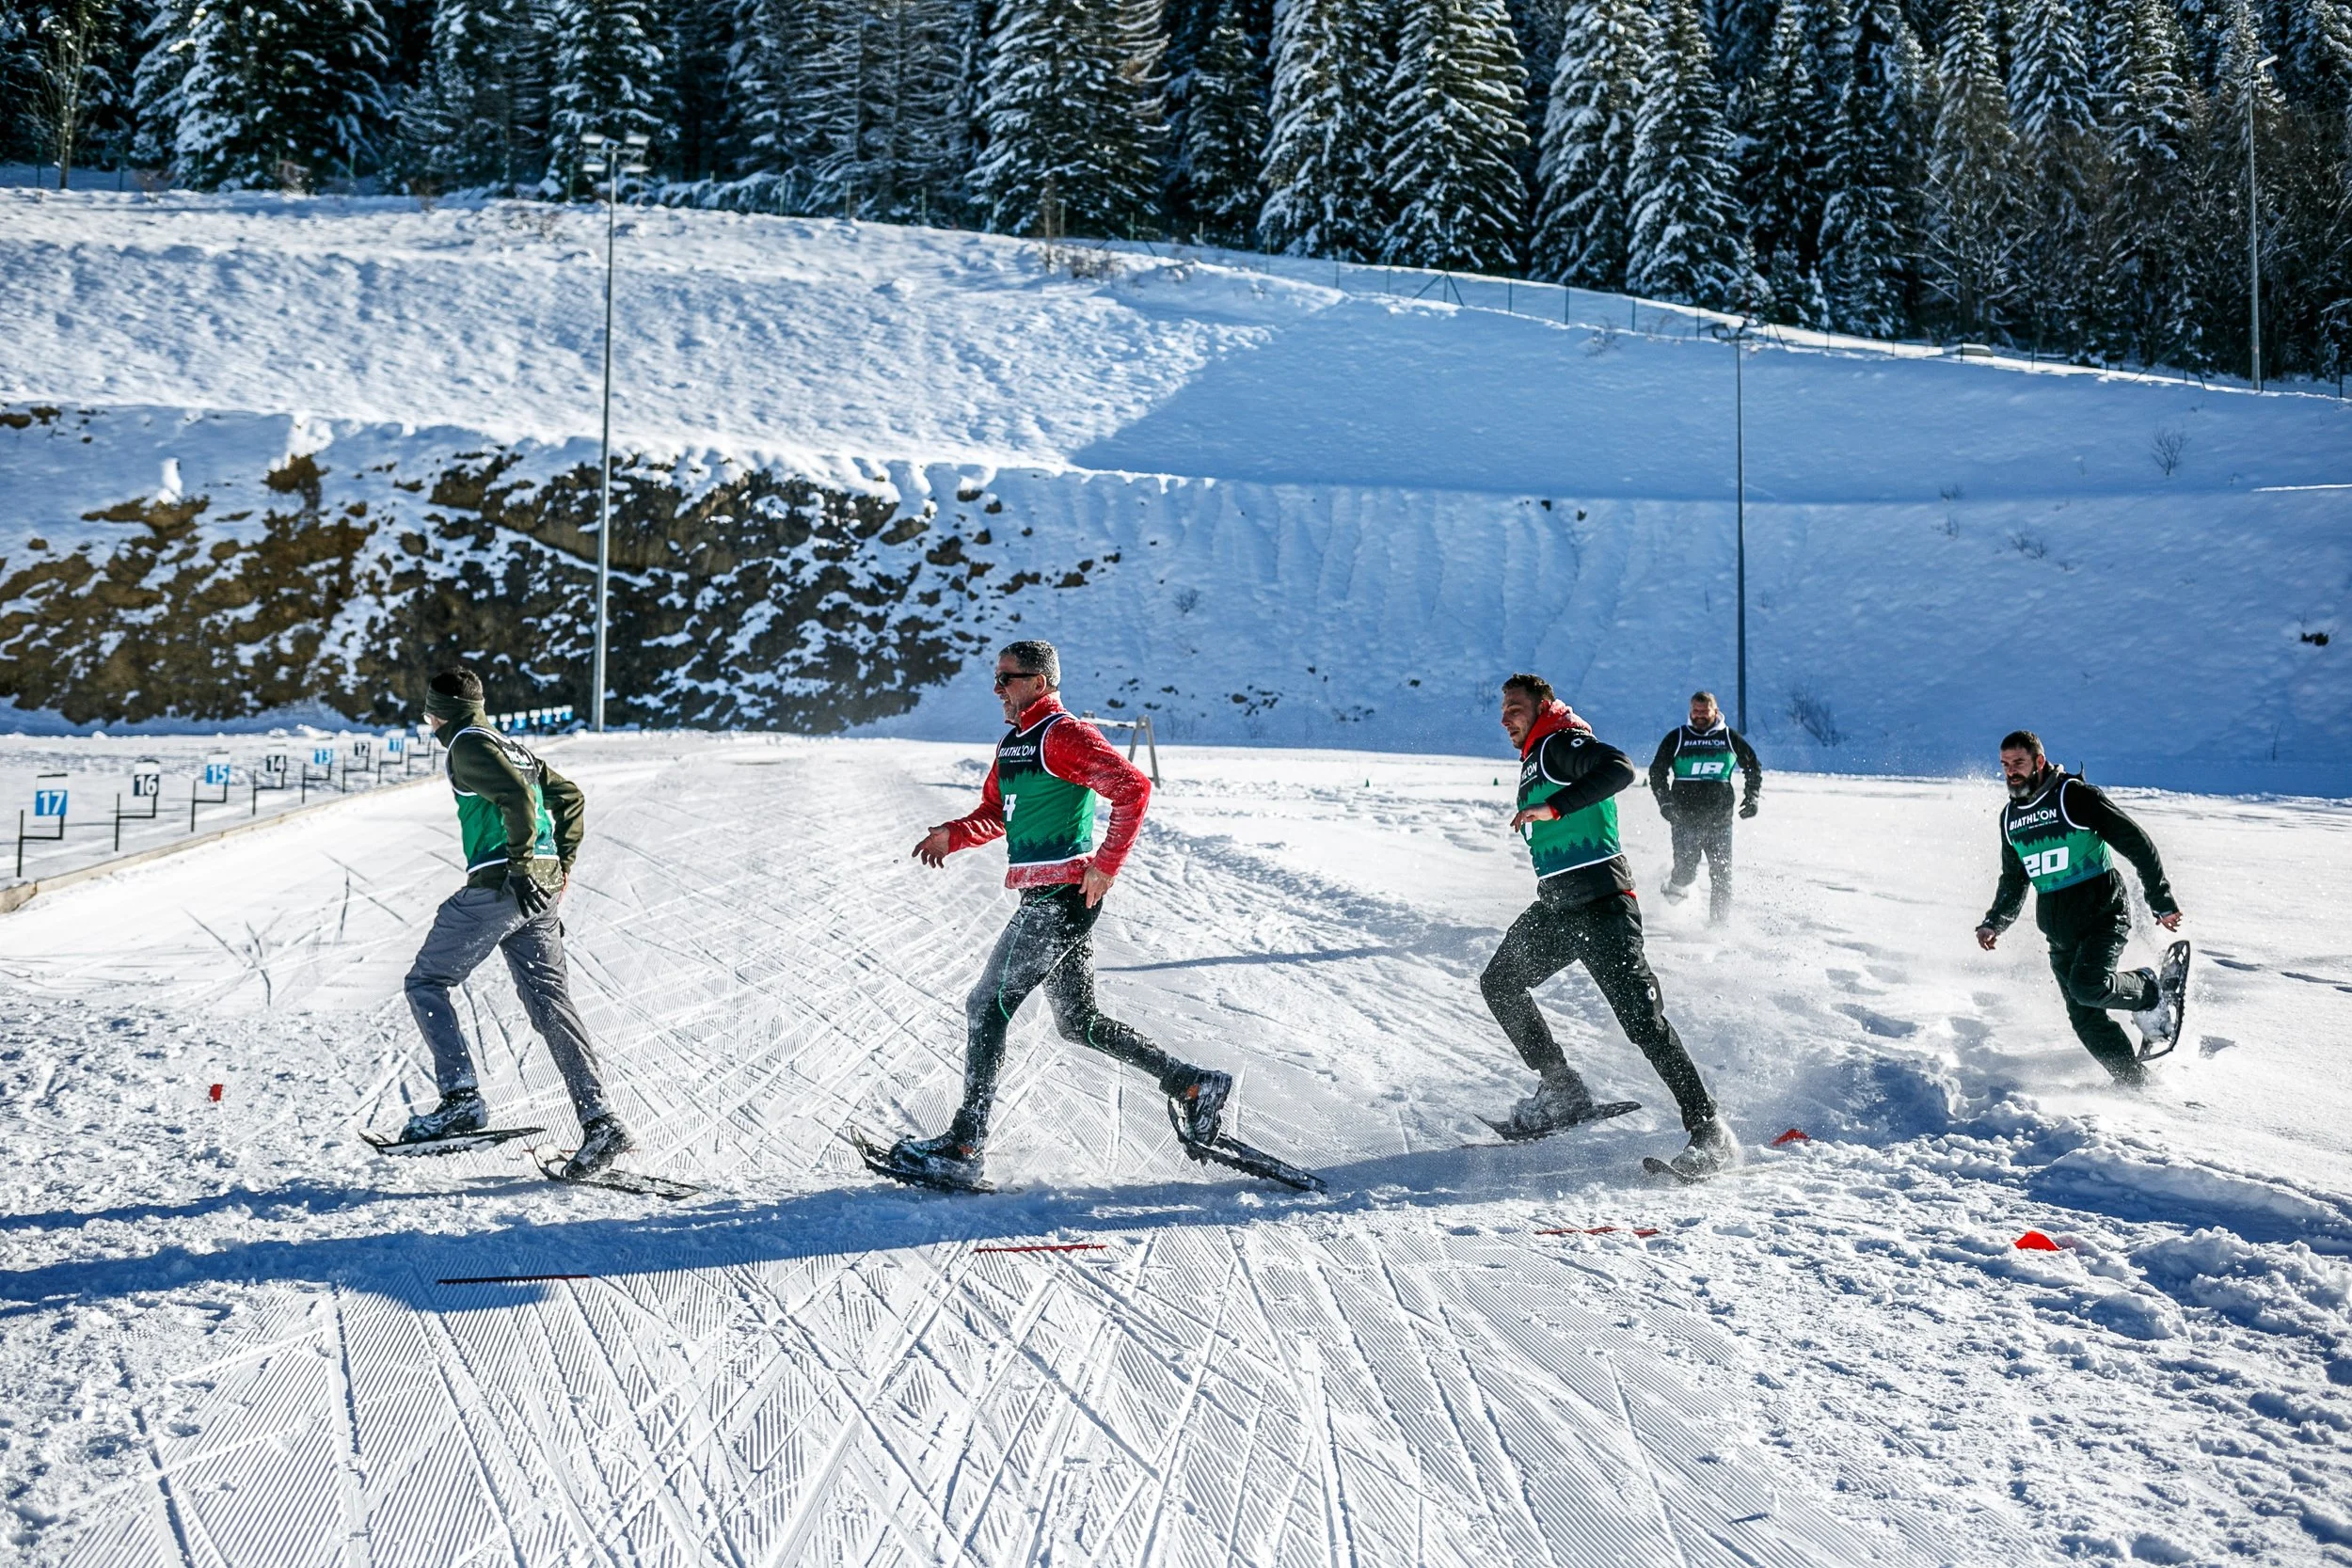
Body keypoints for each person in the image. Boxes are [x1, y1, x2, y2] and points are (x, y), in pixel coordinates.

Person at [887, 640, 1232, 1188]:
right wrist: (954, 834)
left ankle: (964, 1143)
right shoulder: (1014, 744)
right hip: (1045, 899)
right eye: (996, 678)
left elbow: (1133, 788)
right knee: (1080, 1024)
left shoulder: (1062, 734)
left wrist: (1106, 864)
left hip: (1062, 900)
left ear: (1040, 681)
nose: (997, 689)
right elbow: (996, 814)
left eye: (1008, 678)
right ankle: (1193, 1084)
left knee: (986, 1005)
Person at [1479, 673, 1733, 1178]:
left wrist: (1553, 806)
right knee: (1501, 983)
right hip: (1558, 908)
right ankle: (1562, 1088)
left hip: (1601, 907)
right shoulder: (1537, 755)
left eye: (1515, 707)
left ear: (1543, 706)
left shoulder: (1558, 743)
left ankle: (1709, 1132)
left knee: (1642, 1021)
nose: (1506, 716)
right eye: (1503, 708)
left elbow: (1618, 768)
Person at [396, 668, 631, 1179]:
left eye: (428, 713)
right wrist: (558, 867)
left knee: (427, 982)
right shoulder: (508, 744)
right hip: (539, 892)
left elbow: (517, 799)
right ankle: (600, 1121)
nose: (428, 721)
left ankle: (461, 1100)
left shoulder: (465, 745)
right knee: (550, 1003)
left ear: (440, 712)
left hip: (503, 884)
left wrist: (524, 864)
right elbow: (567, 797)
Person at [1975, 730, 2186, 1084]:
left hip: (2104, 914)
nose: (2011, 772)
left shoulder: (2072, 796)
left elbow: (2136, 842)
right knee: (2084, 1016)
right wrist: (1994, 921)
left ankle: (2149, 990)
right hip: (2059, 930)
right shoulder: (2010, 818)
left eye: (2019, 763)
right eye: (2005, 765)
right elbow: (2014, 879)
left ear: (2039, 762)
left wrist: (2160, 900)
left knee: (2088, 986)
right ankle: (2134, 1081)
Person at [1647, 690, 1762, 923]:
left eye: (1704, 711)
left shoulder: (1729, 738)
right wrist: (1665, 803)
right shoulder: (1677, 737)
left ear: (1715, 712)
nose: (1699, 715)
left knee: (1722, 876)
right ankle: (1672, 887)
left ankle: (1718, 929)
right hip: (1684, 820)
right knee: (1686, 873)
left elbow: (1753, 766)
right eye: (1695, 711)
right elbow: (1657, 772)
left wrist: (1752, 797)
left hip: (1720, 822)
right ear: (1690, 711)